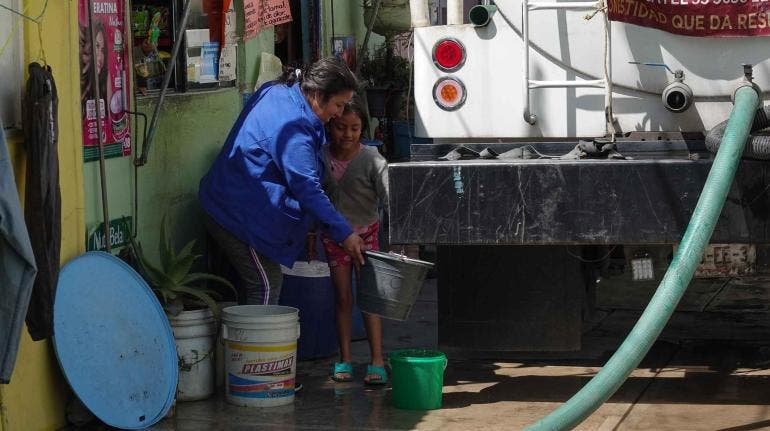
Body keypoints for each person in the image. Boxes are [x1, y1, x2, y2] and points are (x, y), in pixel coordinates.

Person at [198, 57, 366, 309]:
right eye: (338, 105)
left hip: (231, 199)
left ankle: (246, 345)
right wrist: (344, 234)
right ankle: (259, 346)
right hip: (235, 214)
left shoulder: (279, 91)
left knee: (250, 287)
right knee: (265, 284)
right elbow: (307, 188)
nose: (339, 114)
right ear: (318, 94)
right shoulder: (294, 130)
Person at [319, 97, 389, 385]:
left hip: (367, 237)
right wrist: (312, 232)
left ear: (364, 130)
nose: (347, 134)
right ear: (330, 126)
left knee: (370, 300)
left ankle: (377, 360)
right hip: (334, 238)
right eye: (340, 127)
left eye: (355, 128)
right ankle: (345, 359)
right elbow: (314, 196)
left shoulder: (373, 159)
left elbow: (389, 197)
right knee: (343, 298)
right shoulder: (320, 156)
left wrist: (399, 241)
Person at [79, 21, 110, 122]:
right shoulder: (79, 79)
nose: (100, 57)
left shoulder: (104, 80)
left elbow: (110, 120)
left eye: (103, 50)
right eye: (96, 46)